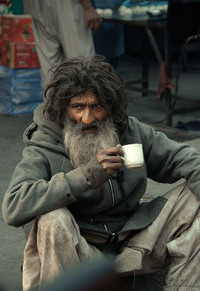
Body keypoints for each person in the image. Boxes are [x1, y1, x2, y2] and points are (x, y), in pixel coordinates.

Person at [2, 55, 200, 291]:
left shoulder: (128, 129)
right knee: (51, 220)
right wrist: (87, 176)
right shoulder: (45, 142)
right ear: (64, 109)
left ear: (110, 106)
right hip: (80, 254)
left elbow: (184, 159)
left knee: (193, 197)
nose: (88, 118)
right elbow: (14, 205)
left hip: (133, 242)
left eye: (97, 106)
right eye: (78, 107)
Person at [27, 0, 101, 86]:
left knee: (50, 66)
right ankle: (85, 99)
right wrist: (87, 6)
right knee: (82, 64)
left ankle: (52, 100)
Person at [87, 0, 149, 69]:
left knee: (111, 66)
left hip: (116, 22)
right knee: (92, 66)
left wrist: (143, 2)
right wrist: (88, 8)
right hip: (93, 21)